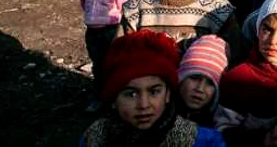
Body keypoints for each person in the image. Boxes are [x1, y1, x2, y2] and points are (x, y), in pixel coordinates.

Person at [80, 30, 225, 147]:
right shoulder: (95, 138)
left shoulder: (204, 142)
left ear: (168, 94)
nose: (144, 105)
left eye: (154, 92)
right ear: (113, 99)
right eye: (131, 94)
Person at [216, 0, 277, 146]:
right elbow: (223, 132)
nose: (273, 40)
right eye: (267, 29)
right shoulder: (239, 78)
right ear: (258, 30)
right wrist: (263, 139)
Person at [80, 0, 130, 112]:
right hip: (92, 32)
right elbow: (83, 3)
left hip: (111, 31)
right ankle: (100, 96)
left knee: (113, 63)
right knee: (98, 65)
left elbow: (127, 7)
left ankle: (117, 97)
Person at [177, 35, 230, 128]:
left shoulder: (218, 130)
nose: (200, 88)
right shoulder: (157, 117)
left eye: (210, 83)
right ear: (180, 77)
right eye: (194, 78)